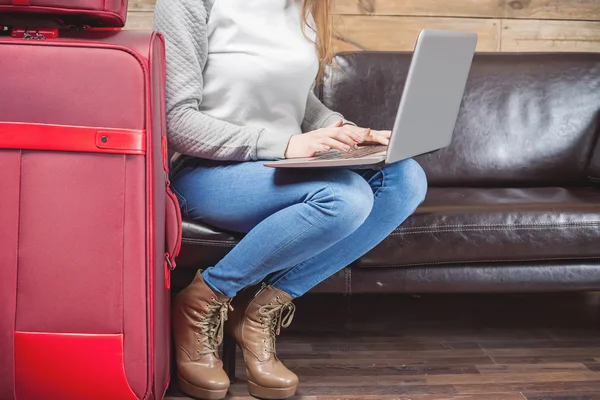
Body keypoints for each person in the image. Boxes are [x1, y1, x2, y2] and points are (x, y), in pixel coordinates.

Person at [154, 0, 428, 399]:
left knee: (406, 178)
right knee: (345, 199)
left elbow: (297, 101)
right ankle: (201, 302)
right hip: (208, 170)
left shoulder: (301, 4)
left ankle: (257, 312)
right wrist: (284, 143)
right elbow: (176, 120)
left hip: (281, 162)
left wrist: (342, 129)